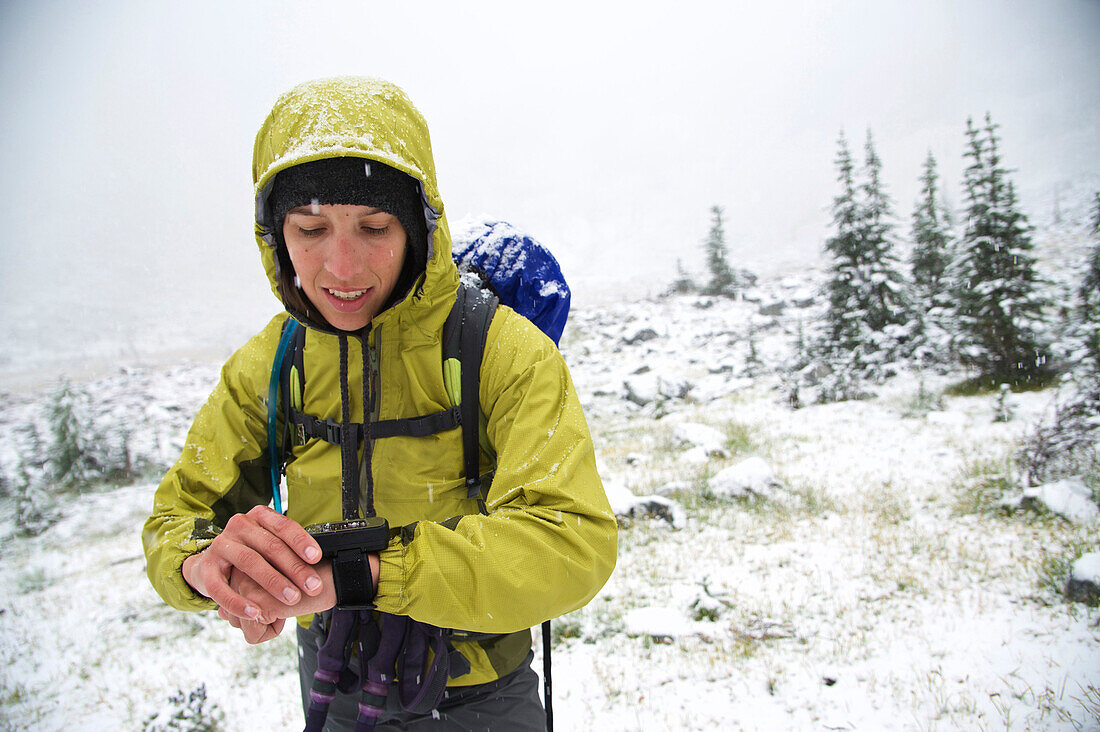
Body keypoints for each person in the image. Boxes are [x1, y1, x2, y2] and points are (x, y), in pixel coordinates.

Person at [142, 76, 617, 729]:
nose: (341, 266)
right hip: (333, 681)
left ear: (419, 227)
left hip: (479, 691)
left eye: (374, 225)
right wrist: (206, 566)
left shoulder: (507, 353)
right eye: (310, 228)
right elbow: (179, 516)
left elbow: (573, 540)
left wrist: (368, 575)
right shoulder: (271, 365)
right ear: (274, 235)